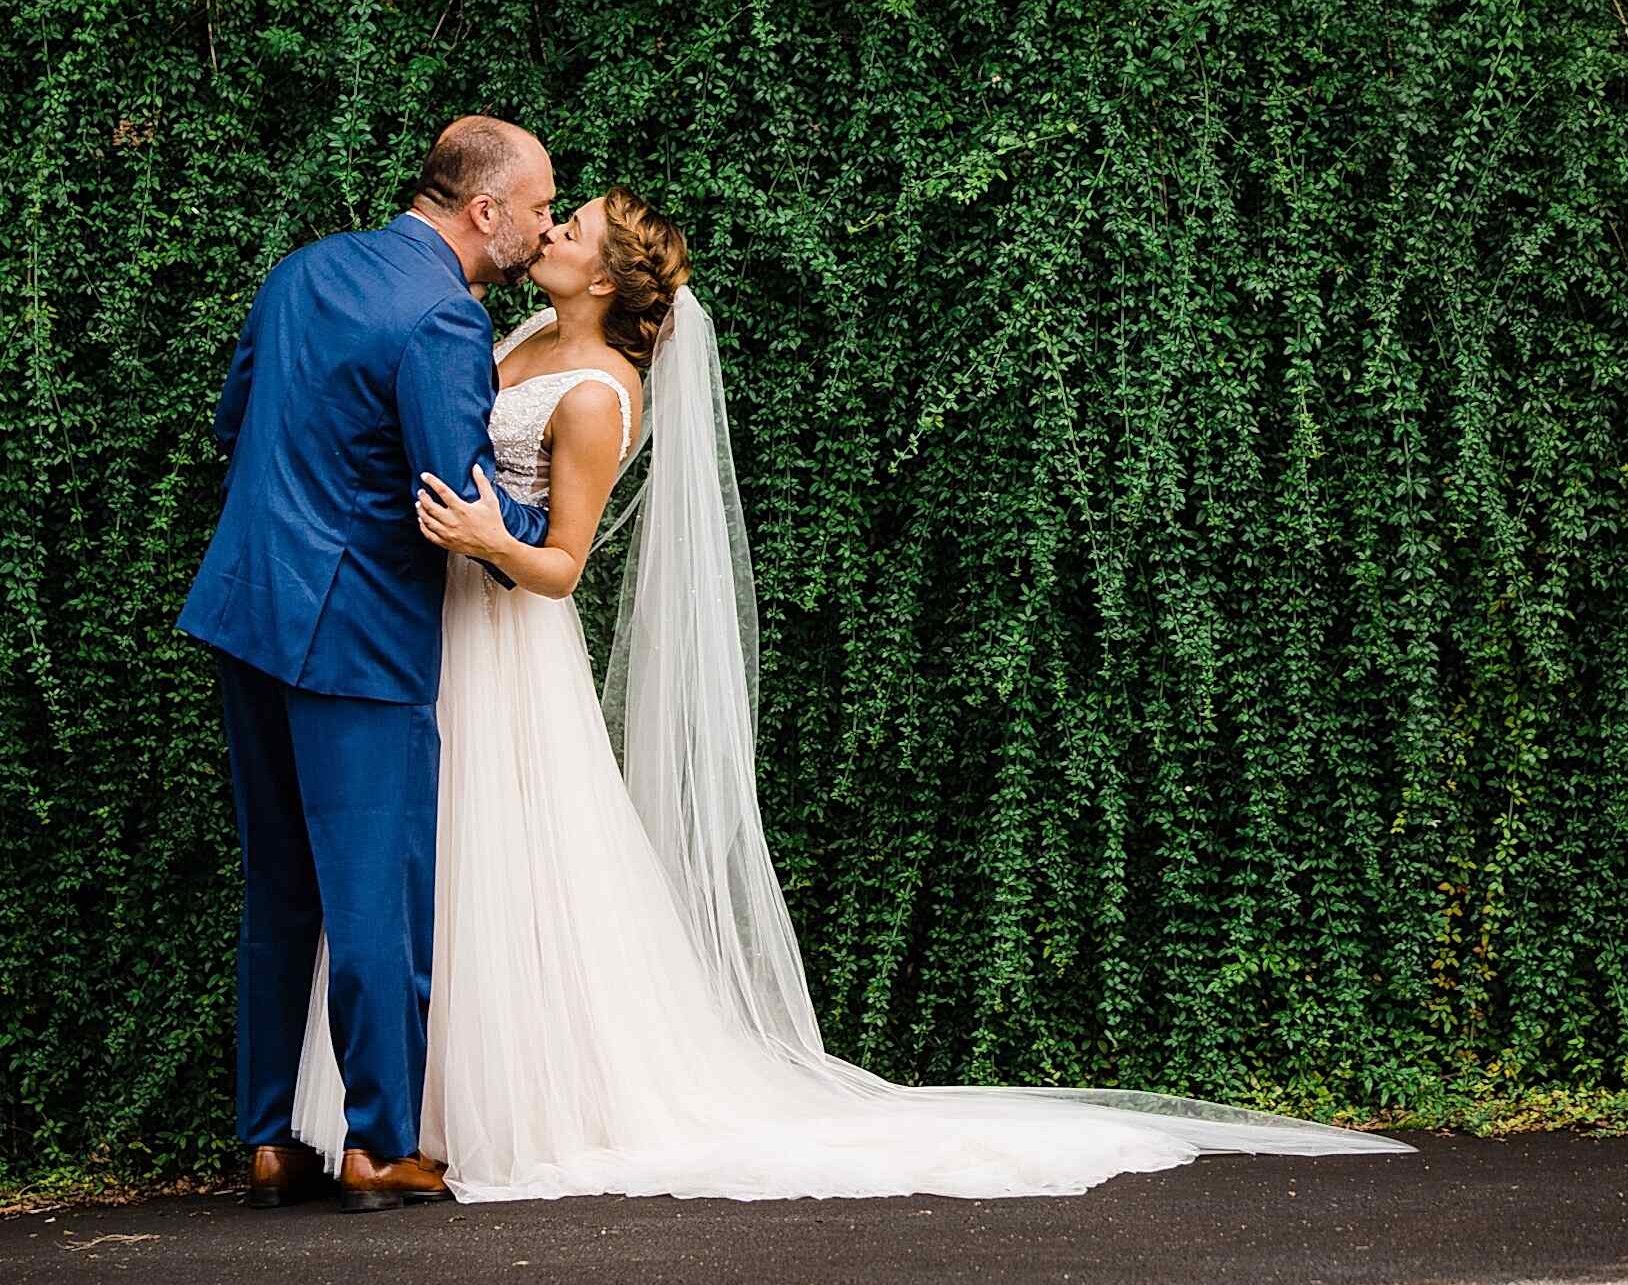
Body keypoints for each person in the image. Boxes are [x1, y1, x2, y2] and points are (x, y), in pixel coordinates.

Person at [286, 185, 1412, 1201]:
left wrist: (489, 536)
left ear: (613, 277)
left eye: (572, 226)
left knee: (501, 858)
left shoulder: (597, 393)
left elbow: (565, 565)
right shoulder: (522, 334)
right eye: (556, 213)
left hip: (510, 647)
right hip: (437, 625)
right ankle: (398, 1108)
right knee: (424, 855)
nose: (551, 228)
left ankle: (493, 1110)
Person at [175, 116, 558, 1212]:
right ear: (483, 211)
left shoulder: (300, 269)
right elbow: (453, 494)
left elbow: (233, 416)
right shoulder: (442, 314)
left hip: (247, 605)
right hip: (357, 633)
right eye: (537, 204)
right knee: (378, 891)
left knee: (279, 887)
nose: (542, 223)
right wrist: (549, 517)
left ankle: (266, 1140)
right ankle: (379, 1142)